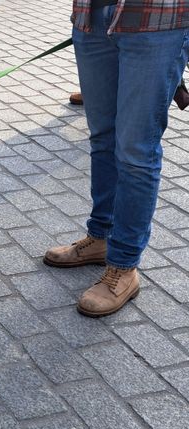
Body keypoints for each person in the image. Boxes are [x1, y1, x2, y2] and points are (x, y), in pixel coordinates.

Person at [45, 0, 189, 317]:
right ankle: (100, 237)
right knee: (102, 139)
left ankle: (123, 266)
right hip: (91, 15)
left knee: (136, 151)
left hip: (158, 21)